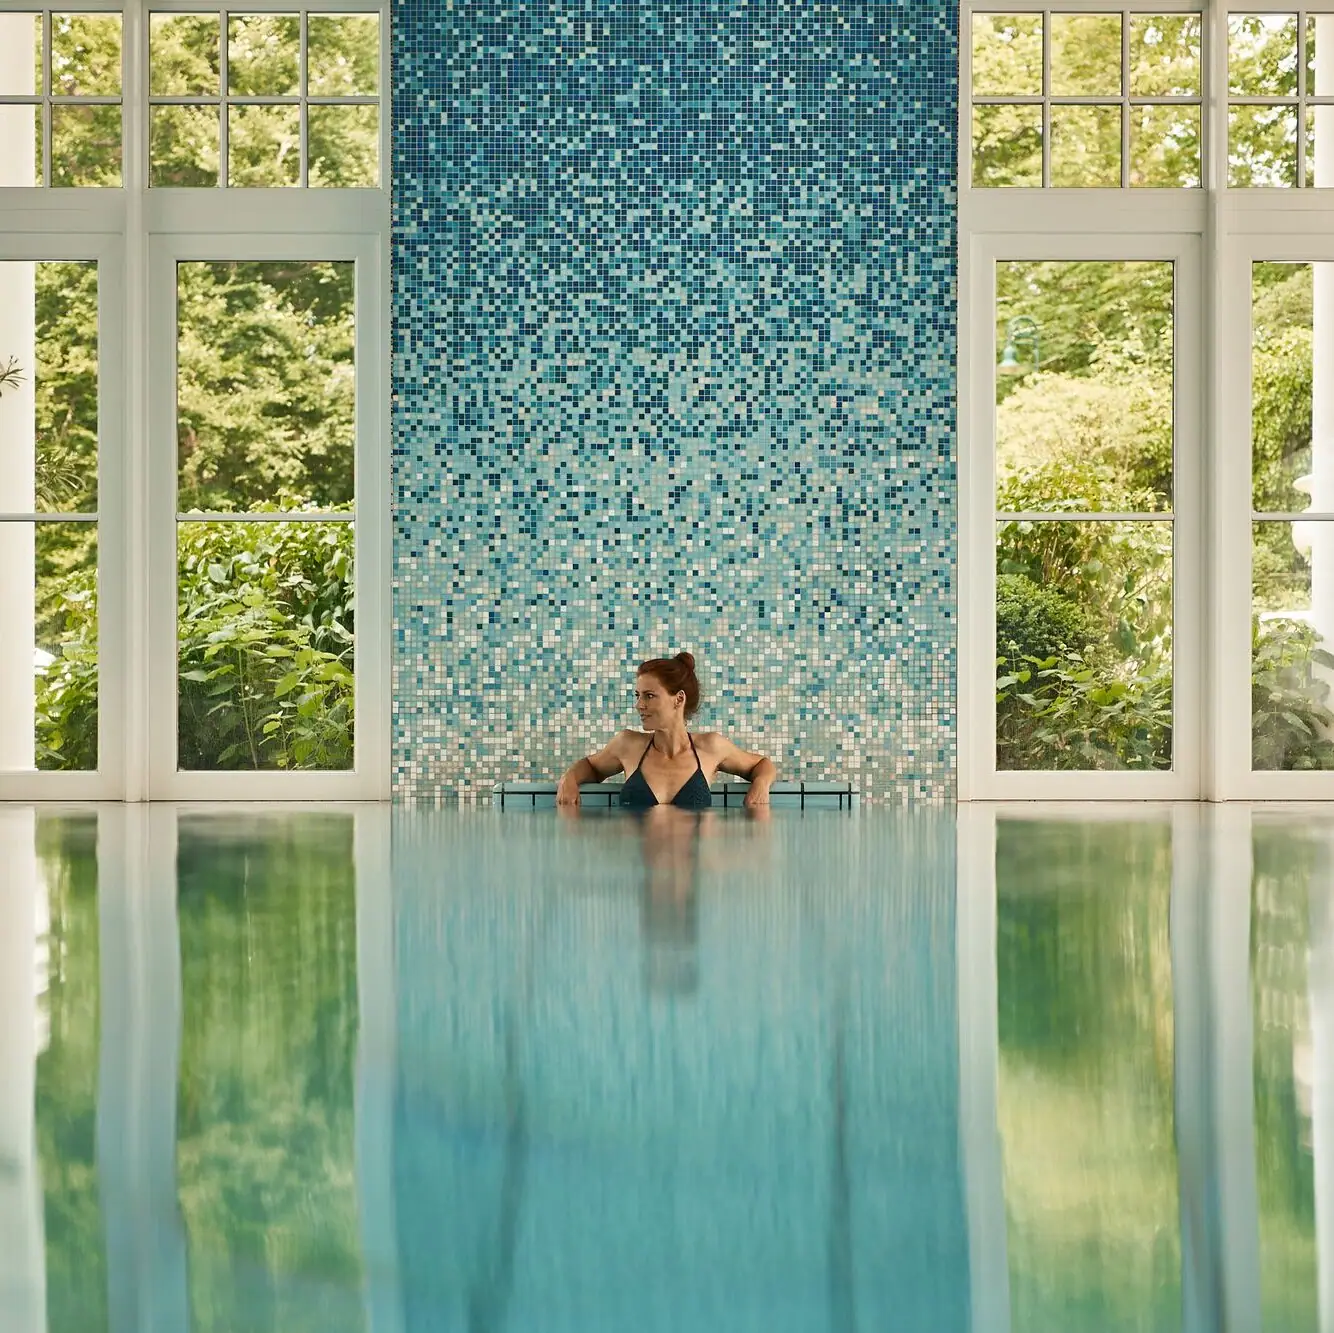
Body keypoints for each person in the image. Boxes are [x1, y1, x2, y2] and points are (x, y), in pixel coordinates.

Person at [555, 652, 776, 809]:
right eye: (637, 695)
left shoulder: (710, 747)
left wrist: (761, 784)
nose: (639, 705)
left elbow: (761, 765)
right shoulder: (628, 745)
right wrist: (569, 779)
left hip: (691, 871)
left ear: (678, 699)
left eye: (649, 696)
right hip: (642, 871)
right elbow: (591, 767)